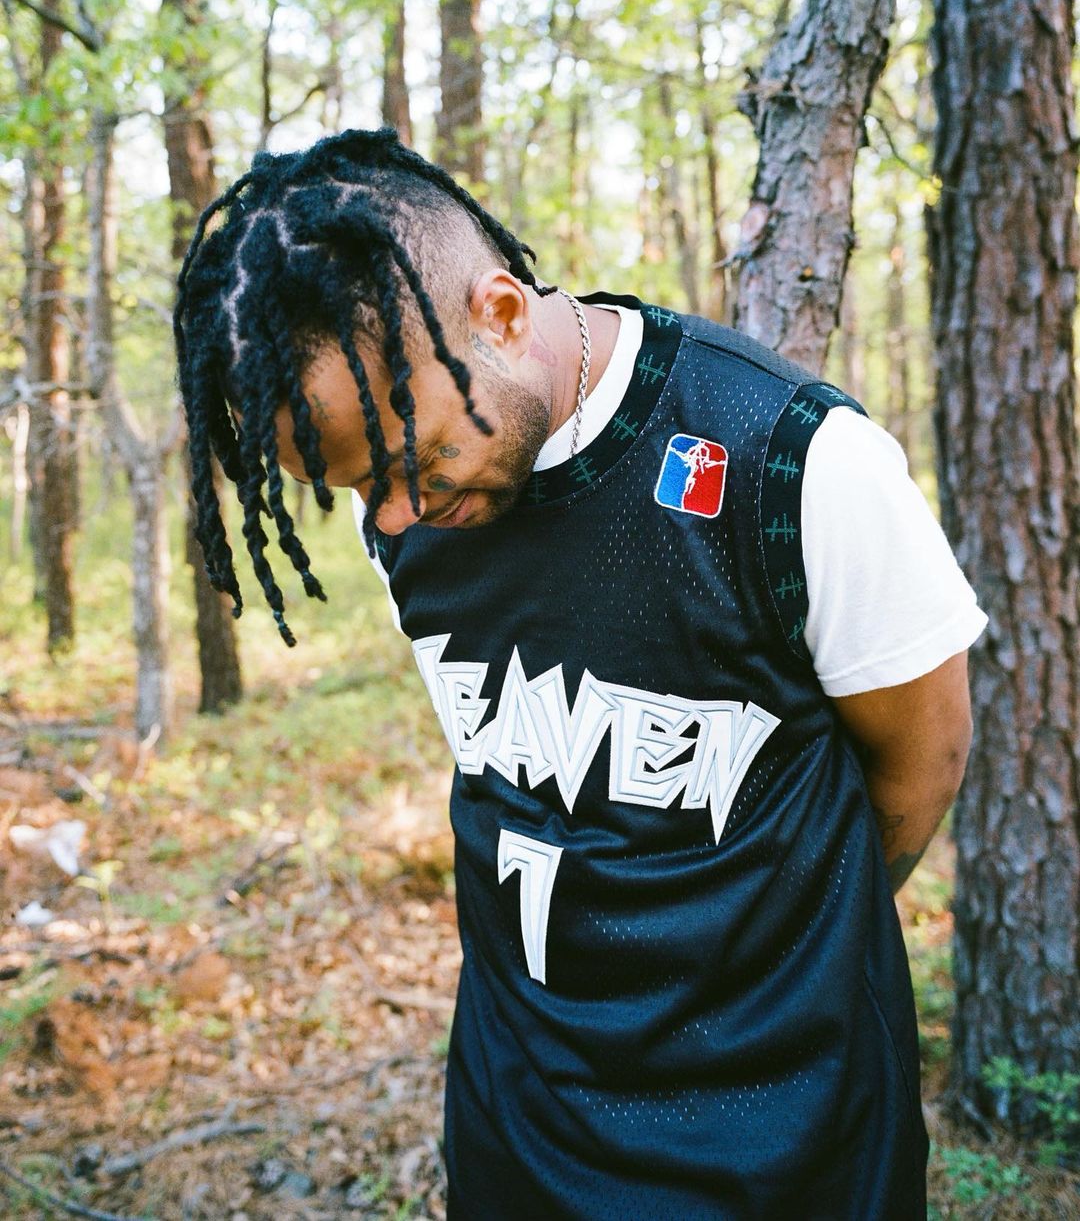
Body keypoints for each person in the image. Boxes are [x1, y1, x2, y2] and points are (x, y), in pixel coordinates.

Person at [173, 126, 987, 1219]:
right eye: (360, 488)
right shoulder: (411, 518)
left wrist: (790, 943)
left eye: (415, 461)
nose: (396, 515)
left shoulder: (797, 462)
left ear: (502, 315)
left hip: (785, 1117)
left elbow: (922, 763)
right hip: (522, 1115)